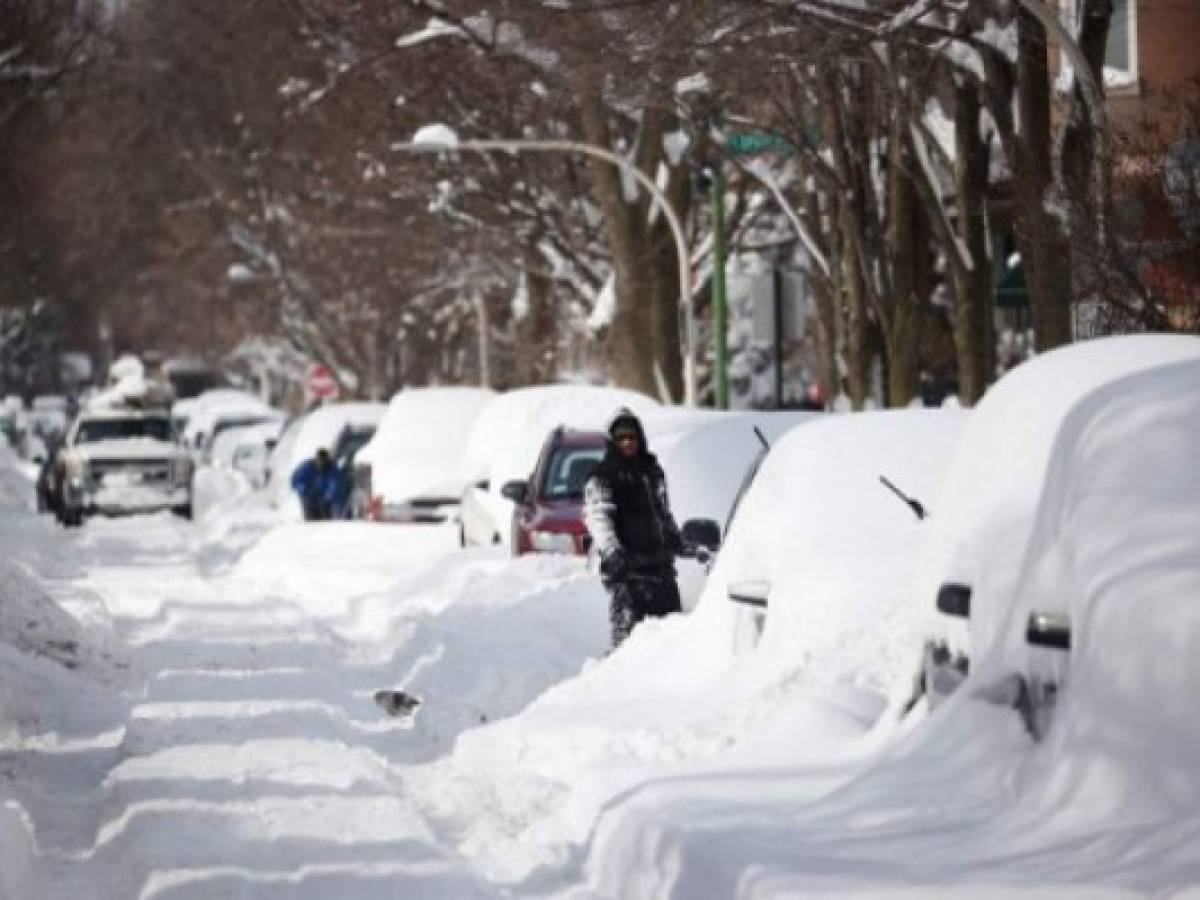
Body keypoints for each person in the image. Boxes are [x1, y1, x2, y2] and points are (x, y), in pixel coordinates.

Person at [584, 408, 690, 648]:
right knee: (629, 652)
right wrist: (612, 552)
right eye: (621, 438)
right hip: (629, 577)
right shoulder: (603, 476)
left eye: (632, 437)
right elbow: (598, 518)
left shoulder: (652, 471)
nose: (628, 442)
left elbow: (663, 511)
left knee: (674, 645)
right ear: (612, 441)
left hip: (662, 572)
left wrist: (676, 539)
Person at [290, 447, 340, 521]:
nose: (321, 464)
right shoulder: (306, 466)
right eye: (320, 461)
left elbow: (334, 482)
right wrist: (302, 489)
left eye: (324, 462)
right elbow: (296, 480)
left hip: (323, 495)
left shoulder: (331, 467)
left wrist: (329, 494)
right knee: (310, 515)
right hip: (307, 494)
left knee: (325, 517)